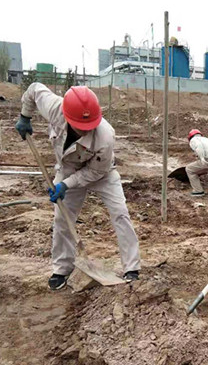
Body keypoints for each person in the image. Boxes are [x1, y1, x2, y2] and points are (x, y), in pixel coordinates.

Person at [15, 83, 141, 290]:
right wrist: (25, 116)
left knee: (120, 213)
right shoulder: (56, 108)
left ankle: (132, 268)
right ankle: (62, 268)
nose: (85, 129)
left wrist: (65, 184)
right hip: (68, 169)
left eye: (89, 125)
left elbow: (95, 172)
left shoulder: (105, 136)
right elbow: (34, 89)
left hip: (102, 173)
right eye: (80, 126)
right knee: (62, 217)